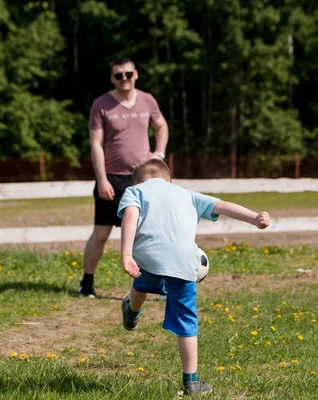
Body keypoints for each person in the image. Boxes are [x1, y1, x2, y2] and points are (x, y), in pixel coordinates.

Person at [117, 158, 270, 395]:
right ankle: (192, 381)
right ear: (169, 180)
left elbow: (130, 216)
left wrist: (127, 254)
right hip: (183, 261)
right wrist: (254, 217)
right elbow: (223, 205)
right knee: (187, 321)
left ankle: (132, 312)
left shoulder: (134, 191)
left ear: (137, 180)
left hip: (147, 257)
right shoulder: (186, 194)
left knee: (142, 283)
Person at [78, 56, 169, 298]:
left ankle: (158, 283)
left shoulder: (148, 100)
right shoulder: (101, 104)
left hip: (144, 179)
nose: (124, 79)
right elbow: (96, 144)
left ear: (136, 74)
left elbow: (161, 126)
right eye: (119, 75)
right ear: (112, 78)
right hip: (112, 179)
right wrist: (102, 179)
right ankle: (86, 283)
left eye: (128, 74)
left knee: (152, 231)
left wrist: (158, 154)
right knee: (101, 232)